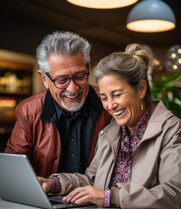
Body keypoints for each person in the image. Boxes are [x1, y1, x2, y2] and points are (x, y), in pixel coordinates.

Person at [38, 43, 181, 209]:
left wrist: (109, 197)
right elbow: (92, 181)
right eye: (104, 97)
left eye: (117, 95)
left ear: (141, 89)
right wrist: (54, 183)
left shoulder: (172, 130)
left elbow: (175, 195)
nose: (110, 105)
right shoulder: (109, 132)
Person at [4, 31, 111, 177]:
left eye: (80, 77)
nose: (73, 89)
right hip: (46, 198)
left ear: (87, 69)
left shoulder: (109, 103)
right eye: (61, 80)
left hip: (98, 197)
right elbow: (13, 169)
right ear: (44, 79)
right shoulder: (28, 111)